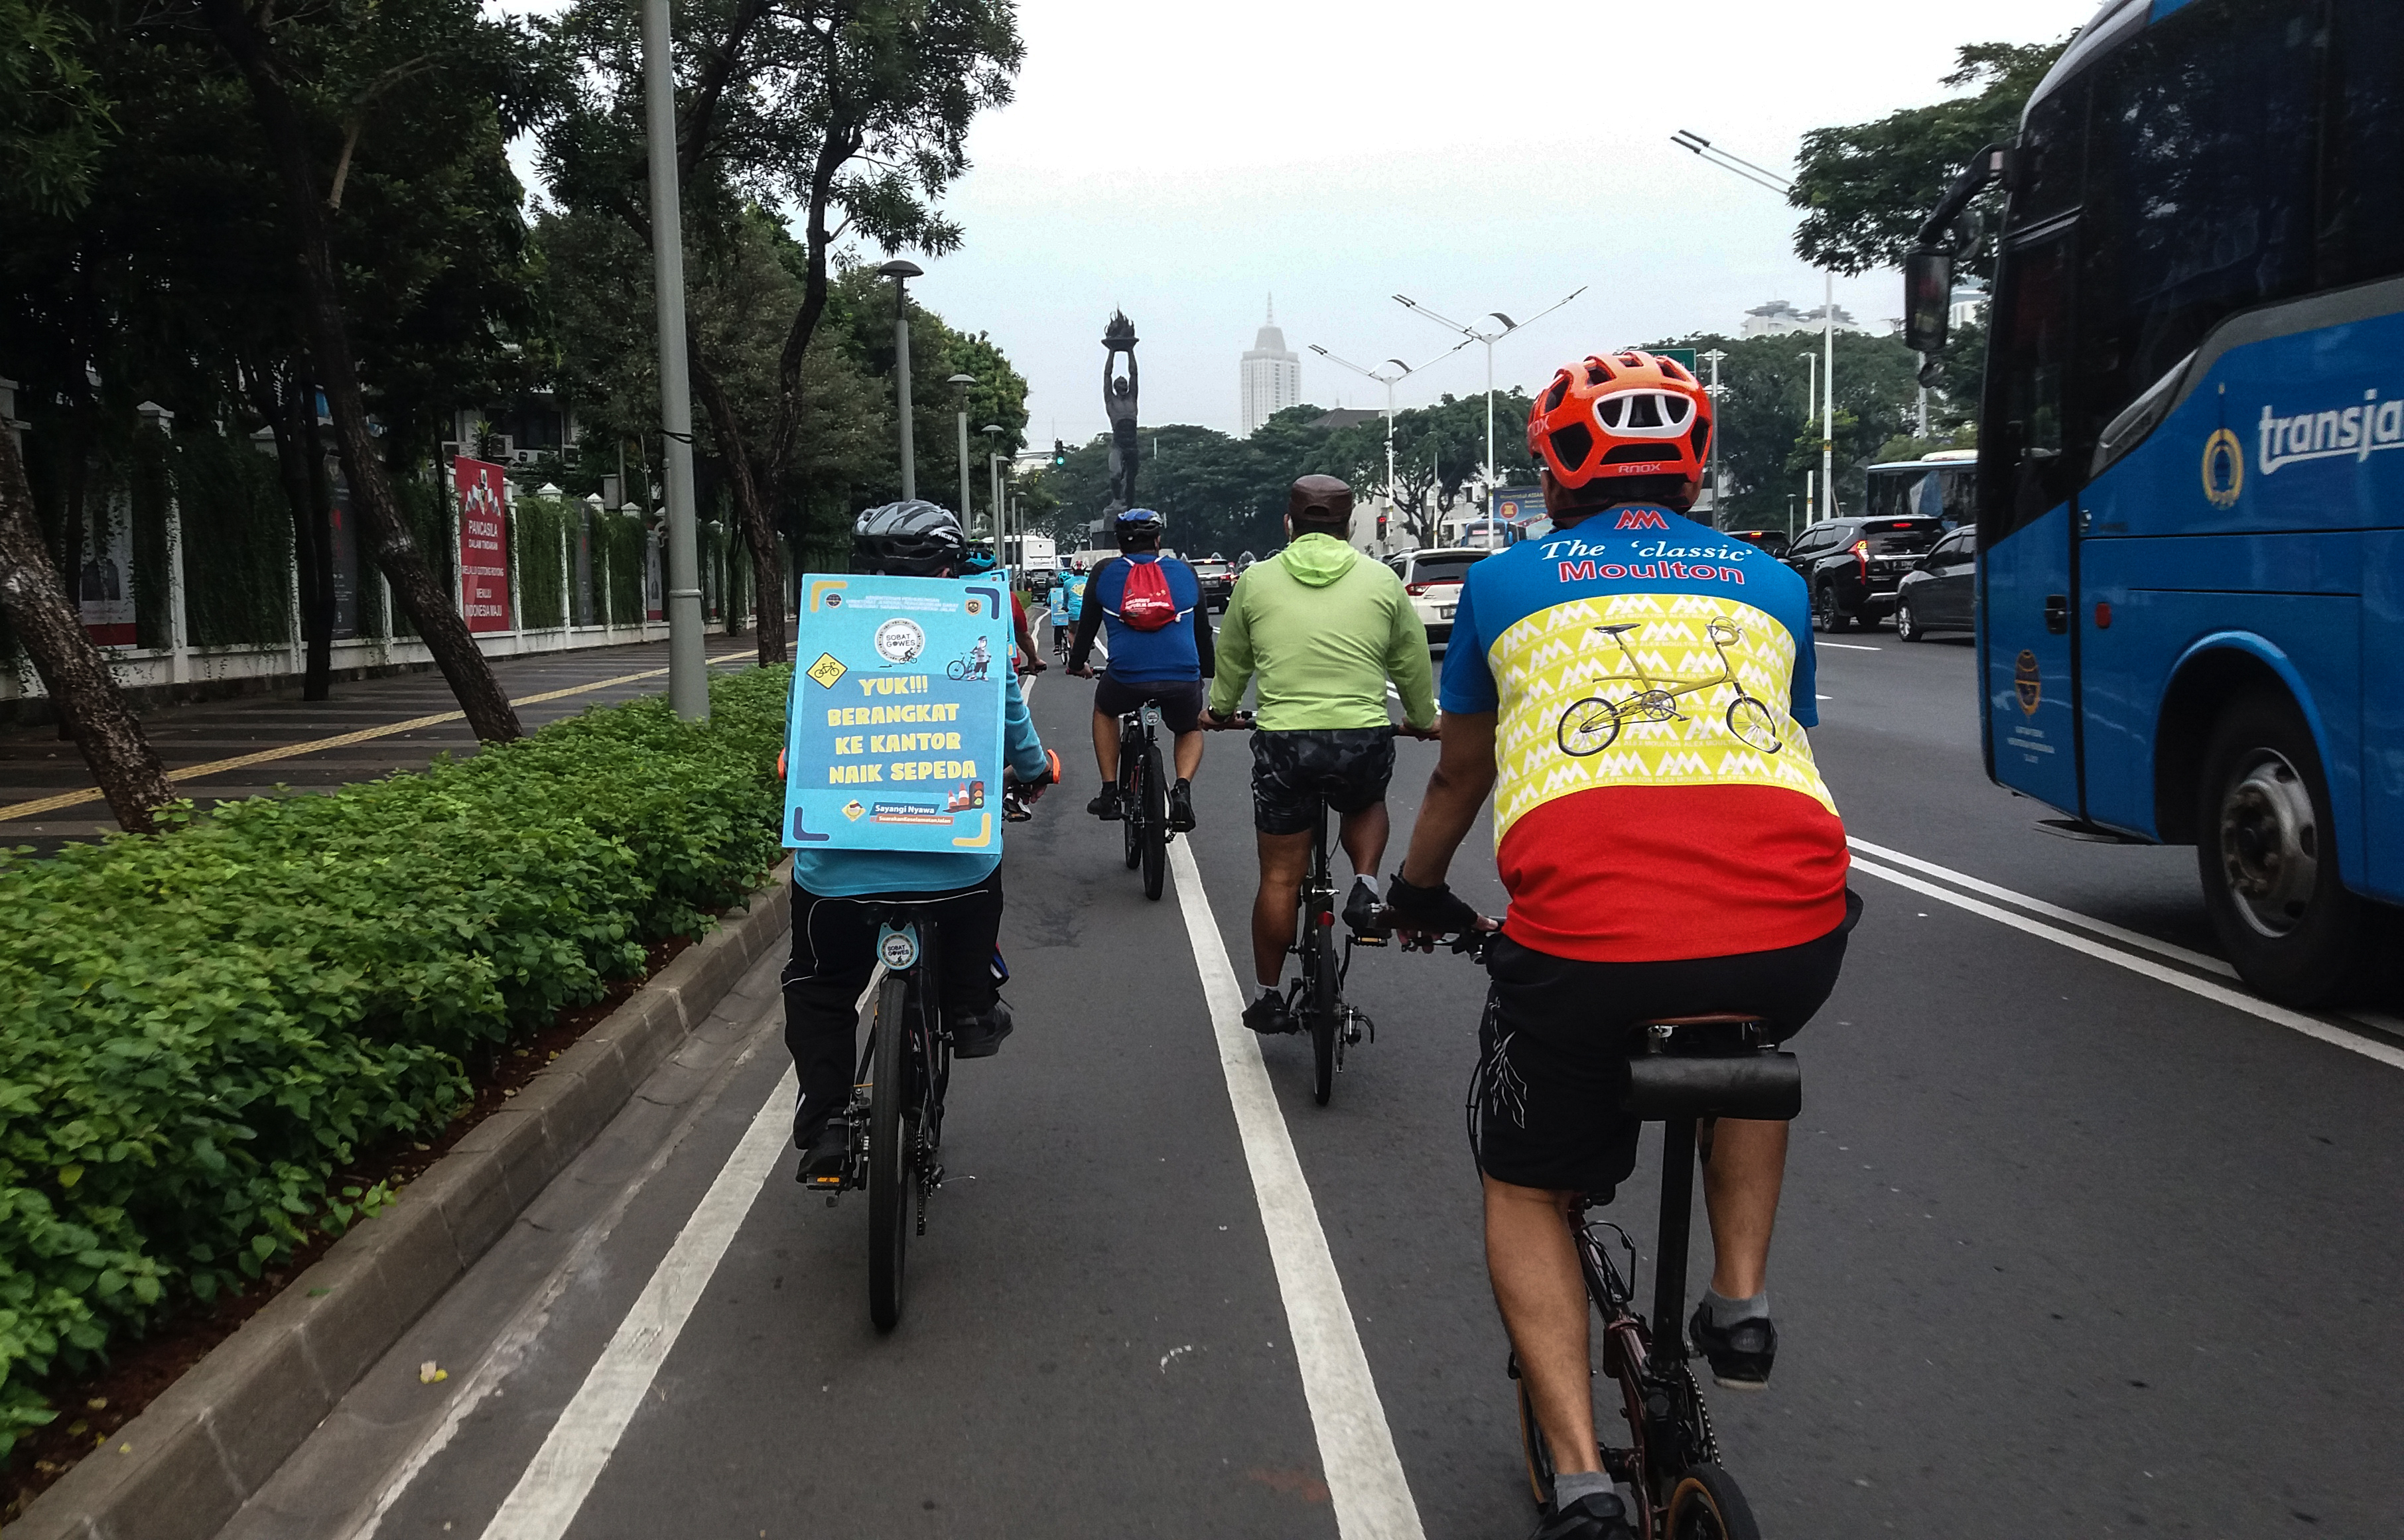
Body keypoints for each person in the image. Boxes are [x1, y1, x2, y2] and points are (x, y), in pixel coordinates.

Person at [1384, 352, 1855, 1540]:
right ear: (1692, 466)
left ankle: (1581, 1474)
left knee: (1524, 1178)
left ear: (1552, 469)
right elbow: (1773, 748)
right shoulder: (1770, 578)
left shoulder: (1498, 582)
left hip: (1588, 947)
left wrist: (1415, 888)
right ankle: (1737, 1302)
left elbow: (1457, 768)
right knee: (1745, 1022)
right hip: (1792, 924)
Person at [784, 500, 1056, 1185]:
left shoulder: (828, 632)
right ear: (949, 567)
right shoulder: (974, 632)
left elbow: (806, 734)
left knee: (819, 987)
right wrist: (1035, 772)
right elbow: (1010, 725)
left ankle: (823, 1124)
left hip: (837, 873)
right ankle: (967, 1006)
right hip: (953, 866)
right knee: (977, 888)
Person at [1203, 475, 1437, 1036]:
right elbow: (1410, 661)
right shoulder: (1382, 580)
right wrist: (1422, 721)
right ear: (1350, 525)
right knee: (1366, 799)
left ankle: (1267, 998)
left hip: (1286, 743)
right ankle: (1365, 884)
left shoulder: (1256, 581)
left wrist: (1221, 709)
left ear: (1289, 523)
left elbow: (1232, 659)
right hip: (1361, 737)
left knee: (1280, 879)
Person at [1066, 507, 1215, 832]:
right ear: (1158, 540)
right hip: (1182, 677)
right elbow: (1202, 631)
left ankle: (1109, 792)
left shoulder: (1104, 573)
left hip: (1126, 678)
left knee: (1105, 710)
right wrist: (1205, 671)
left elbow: (1087, 628)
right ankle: (1182, 790)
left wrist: (1076, 665)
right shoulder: (1185, 572)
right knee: (1189, 727)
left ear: (1120, 545)